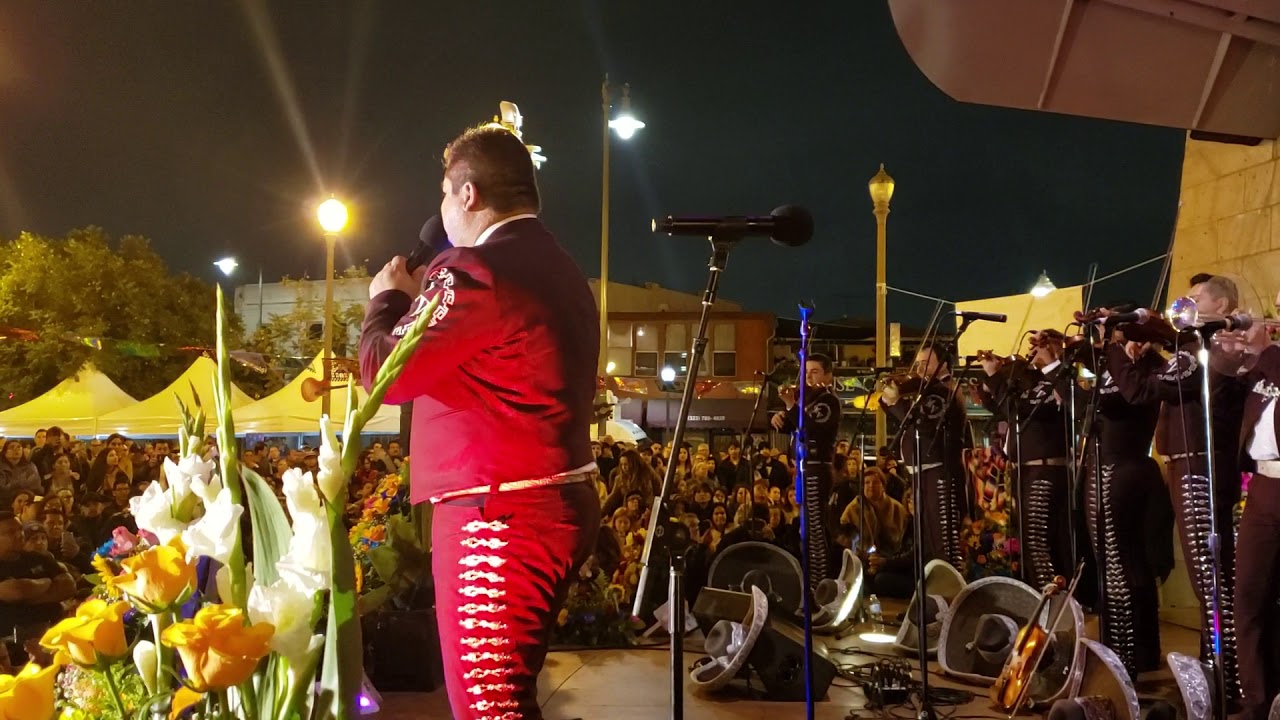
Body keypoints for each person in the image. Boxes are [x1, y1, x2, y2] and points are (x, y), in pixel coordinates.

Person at [359, 124, 599, 720]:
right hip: (544, 505)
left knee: (488, 710)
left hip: (498, 517)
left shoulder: (475, 269)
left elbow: (385, 374)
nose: (441, 211)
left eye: (444, 193)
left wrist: (386, 300)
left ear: (468, 194)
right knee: (507, 703)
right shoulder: (557, 267)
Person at [977, 330, 1073, 587]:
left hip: (1045, 471)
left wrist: (996, 378)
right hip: (1026, 471)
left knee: (1038, 539)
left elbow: (1022, 411)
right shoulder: (1028, 387)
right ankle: (1040, 594)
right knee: (1030, 538)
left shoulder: (1053, 383)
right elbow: (1004, 412)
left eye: (1038, 347)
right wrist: (990, 385)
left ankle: (1050, 597)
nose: (1032, 354)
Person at [879, 342, 969, 569]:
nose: (919, 369)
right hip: (924, 471)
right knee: (929, 542)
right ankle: (935, 599)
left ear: (944, 365)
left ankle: (953, 598)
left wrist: (897, 402)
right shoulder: (927, 391)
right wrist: (890, 401)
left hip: (938, 470)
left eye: (926, 363)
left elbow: (924, 424)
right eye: (918, 363)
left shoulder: (944, 390)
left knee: (943, 543)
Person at [771, 352, 842, 586]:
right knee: (806, 529)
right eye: (806, 372)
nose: (809, 377)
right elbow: (795, 426)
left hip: (816, 469)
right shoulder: (808, 402)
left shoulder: (828, 402)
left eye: (815, 372)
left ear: (828, 376)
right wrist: (781, 420)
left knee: (815, 529)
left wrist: (792, 405)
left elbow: (810, 428)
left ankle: (820, 582)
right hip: (803, 469)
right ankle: (811, 581)